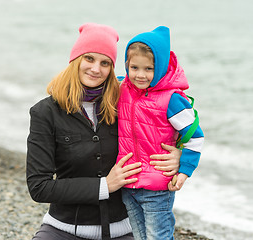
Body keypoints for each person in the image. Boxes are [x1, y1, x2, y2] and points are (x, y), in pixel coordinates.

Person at [26, 23, 181, 240]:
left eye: (105, 62)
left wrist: (178, 154)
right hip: (63, 230)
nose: (96, 69)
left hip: (126, 230)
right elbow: (39, 187)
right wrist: (104, 186)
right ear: (75, 60)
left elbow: (175, 119)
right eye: (89, 58)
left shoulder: (126, 103)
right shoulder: (45, 112)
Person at [116, 26, 205, 240]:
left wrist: (183, 172)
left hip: (157, 187)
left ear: (161, 67)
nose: (140, 75)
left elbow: (195, 137)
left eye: (148, 69)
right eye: (134, 67)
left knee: (158, 237)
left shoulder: (172, 99)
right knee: (139, 236)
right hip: (128, 184)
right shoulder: (121, 88)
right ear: (127, 65)